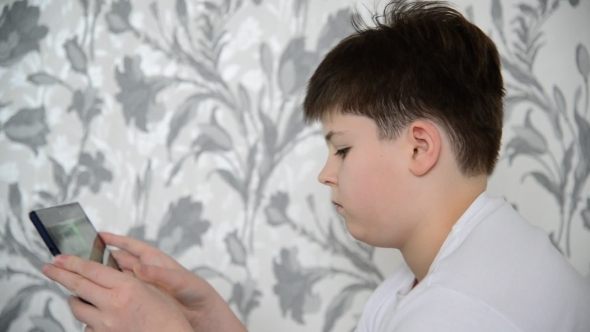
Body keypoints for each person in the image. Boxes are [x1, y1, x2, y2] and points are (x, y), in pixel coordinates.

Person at [42, 1, 590, 331]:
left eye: (342, 148)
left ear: (420, 148)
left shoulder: (460, 309)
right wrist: (212, 320)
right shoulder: (453, 268)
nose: (326, 173)